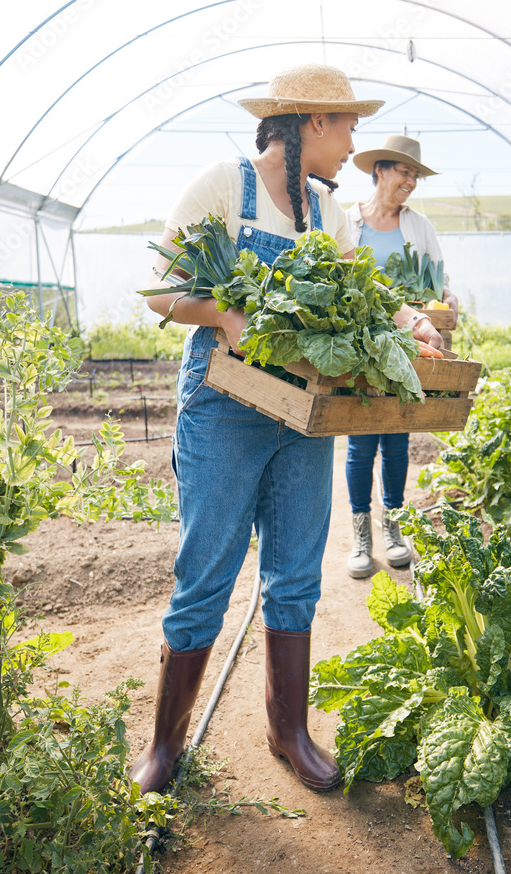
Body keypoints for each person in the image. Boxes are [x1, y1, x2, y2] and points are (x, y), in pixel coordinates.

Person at [129, 66, 445, 795]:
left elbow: (361, 291)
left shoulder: (328, 211)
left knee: (296, 575)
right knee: (205, 574)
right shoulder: (222, 186)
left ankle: (288, 731)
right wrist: (223, 315)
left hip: (306, 412)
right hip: (225, 408)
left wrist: (411, 321)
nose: (351, 146)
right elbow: (158, 290)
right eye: (346, 128)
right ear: (309, 122)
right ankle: (164, 747)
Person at [344, 135, 459, 579]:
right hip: (362, 345)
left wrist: (447, 298)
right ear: (380, 171)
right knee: (360, 439)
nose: (410, 181)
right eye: (404, 171)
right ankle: (360, 536)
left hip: (409, 345)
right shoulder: (349, 223)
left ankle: (392, 529)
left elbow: (439, 279)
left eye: (415, 174)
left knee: (397, 440)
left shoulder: (419, 226)